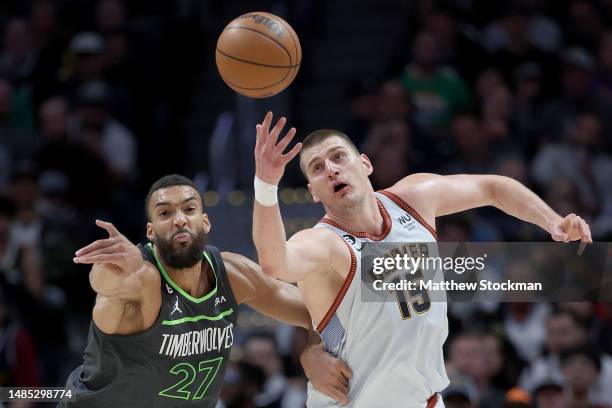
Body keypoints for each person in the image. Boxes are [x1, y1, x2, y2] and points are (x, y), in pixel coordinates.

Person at [251, 112, 592, 407]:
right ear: (313, 191)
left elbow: (493, 187)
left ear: (365, 163)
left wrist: (552, 221)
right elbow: (275, 264)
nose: (331, 170)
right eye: (318, 168)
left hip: (422, 399)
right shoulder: (323, 243)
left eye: (339, 157)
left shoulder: (414, 199)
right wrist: (266, 186)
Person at [61, 174, 347, 407]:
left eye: (189, 209)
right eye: (165, 213)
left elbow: (318, 312)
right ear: (150, 232)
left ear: (205, 222)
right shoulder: (142, 278)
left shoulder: (233, 275)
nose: (179, 219)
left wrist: (312, 351)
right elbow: (107, 285)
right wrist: (111, 267)